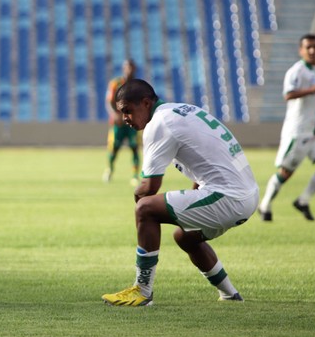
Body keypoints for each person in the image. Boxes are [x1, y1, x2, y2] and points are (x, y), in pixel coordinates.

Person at [101, 79, 258, 306]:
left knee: (145, 208)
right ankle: (230, 294)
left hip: (229, 196)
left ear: (145, 103)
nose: (124, 118)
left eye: (127, 111)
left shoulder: (159, 123)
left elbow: (149, 187)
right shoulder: (182, 110)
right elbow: (205, 162)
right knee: (186, 237)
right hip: (246, 194)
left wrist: (139, 206)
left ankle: (142, 291)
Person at [258, 34, 315, 222]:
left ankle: (303, 200)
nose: (312, 50)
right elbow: (288, 94)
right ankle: (265, 205)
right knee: (286, 172)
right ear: (301, 50)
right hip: (298, 131)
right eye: (308, 47)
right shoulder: (296, 71)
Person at [102, 59, 141, 186]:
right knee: (114, 148)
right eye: (127, 67)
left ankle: (135, 175)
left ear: (134, 68)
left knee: (134, 148)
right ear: (124, 68)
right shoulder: (116, 83)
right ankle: (109, 170)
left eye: (131, 67)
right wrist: (115, 114)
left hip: (133, 123)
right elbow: (109, 101)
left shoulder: (138, 85)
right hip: (118, 122)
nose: (129, 69)